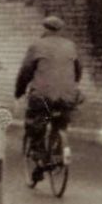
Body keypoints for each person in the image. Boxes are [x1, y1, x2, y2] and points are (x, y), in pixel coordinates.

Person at [14, 15, 83, 184]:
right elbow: (78, 71)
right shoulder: (71, 46)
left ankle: (39, 157)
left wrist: (19, 91)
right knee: (60, 123)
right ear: (61, 30)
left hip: (43, 98)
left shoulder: (37, 45)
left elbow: (25, 72)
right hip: (67, 97)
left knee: (36, 123)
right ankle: (57, 151)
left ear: (45, 29)